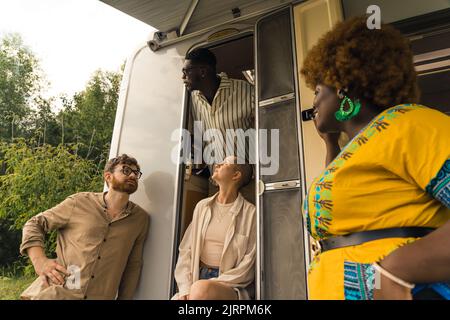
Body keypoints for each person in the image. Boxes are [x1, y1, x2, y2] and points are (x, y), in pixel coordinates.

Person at [300, 16, 450, 300]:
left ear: (342, 87)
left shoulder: (409, 123)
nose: (314, 104)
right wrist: (332, 144)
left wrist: (397, 268)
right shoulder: (360, 146)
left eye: (318, 91)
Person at [19, 154, 150, 300]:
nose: (132, 175)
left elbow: (133, 264)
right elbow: (34, 223)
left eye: (136, 172)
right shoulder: (79, 202)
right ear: (108, 176)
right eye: (126, 170)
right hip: (57, 294)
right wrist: (40, 261)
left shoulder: (140, 219)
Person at [173, 156, 256, 300]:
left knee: (200, 290)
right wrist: (186, 288)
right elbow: (186, 250)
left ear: (236, 175)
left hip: (230, 285)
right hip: (197, 278)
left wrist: (203, 286)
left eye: (225, 163)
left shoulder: (251, 213)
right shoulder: (202, 206)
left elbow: (248, 264)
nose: (218, 164)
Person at [182, 47, 256, 204]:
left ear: (202, 71)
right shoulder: (191, 100)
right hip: (216, 185)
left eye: (186, 71)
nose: (183, 77)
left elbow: (267, 127)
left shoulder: (245, 91)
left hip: (246, 183)